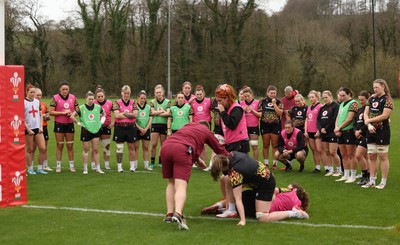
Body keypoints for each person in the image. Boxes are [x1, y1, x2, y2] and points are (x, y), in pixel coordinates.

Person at [161, 121, 229, 230]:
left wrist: (197, 160)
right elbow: (219, 149)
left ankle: (169, 214)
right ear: (207, 127)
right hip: (182, 149)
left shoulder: (187, 125)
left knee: (171, 182)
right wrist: (231, 157)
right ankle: (178, 213)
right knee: (181, 185)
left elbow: (188, 139)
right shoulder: (206, 131)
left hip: (166, 146)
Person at [211, 152, 309, 226]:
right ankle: (229, 209)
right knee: (226, 179)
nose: (288, 187)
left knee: (262, 217)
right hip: (260, 180)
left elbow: (238, 199)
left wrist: (243, 220)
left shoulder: (235, 171)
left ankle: (293, 214)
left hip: (264, 185)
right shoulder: (233, 155)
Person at [202, 183, 310, 219]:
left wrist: (273, 194)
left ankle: (219, 205)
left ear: (294, 189)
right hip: (259, 211)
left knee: (240, 196)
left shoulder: (289, 191)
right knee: (242, 208)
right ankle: (221, 209)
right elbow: (299, 211)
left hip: (261, 201)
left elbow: (272, 189)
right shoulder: (298, 204)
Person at [362, 79, 393, 189]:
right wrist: (369, 125)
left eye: (377, 87)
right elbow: (366, 113)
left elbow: (385, 116)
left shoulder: (388, 99)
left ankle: (383, 181)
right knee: (371, 155)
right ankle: (372, 180)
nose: (375, 89)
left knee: (383, 156)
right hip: (370, 131)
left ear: (383, 86)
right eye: (374, 87)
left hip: (382, 131)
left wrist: (369, 121)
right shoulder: (371, 98)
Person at [70, 91, 105, 174]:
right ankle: (85, 169)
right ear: (86, 99)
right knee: (86, 149)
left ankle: (98, 168)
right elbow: (72, 116)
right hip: (85, 131)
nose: (91, 100)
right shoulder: (81, 108)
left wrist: (102, 121)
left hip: (95, 130)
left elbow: (104, 114)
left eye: (92, 99)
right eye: (89, 99)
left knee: (95, 149)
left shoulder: (98, 107)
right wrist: (78, 123)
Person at [49, 80, 79, 173]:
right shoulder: (55, 98)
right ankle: (58, 166)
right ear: (60, 89)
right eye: (63, 89)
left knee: (70, 145)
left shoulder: (73, 97)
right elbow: (51, 112)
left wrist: (72, 114)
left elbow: (77, 110)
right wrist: (62, 113)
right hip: (59, 124)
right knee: (59, 145)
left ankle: (71, 165)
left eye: (66, 89)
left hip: (69, 124)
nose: (65, 91)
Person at [215, 84, 249, 153]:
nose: (218, 104)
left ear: (227, 98)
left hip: (239, 145)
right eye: (217, 101)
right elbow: (222, 127)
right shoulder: (225, 109)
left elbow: (231, 125)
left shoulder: (237, 108)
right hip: (230, 144)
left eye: (220, 101)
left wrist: (222, 112)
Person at [334, 88, 359, 183]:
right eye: (340, 95)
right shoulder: (341, 104)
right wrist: (336, 127)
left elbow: (349, 118)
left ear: (349, 94)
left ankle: (353, 175)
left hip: (348, 131)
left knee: (351, 154)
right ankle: (346, 174)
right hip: (341, 132)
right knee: (343, 154)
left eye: (343, 95)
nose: (341, 97)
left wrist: (339, 128)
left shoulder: (353, 103)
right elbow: (338, 116)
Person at [113, 85, 138, 173]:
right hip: (120, 127)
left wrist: (123, 113)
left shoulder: (134, 102)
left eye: (128, 93)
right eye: (125, 93)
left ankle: (132, 167)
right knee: (119, 147)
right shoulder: (117, 102)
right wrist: (129, 114)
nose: (126, 95)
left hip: (131, 127)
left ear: (130, 93)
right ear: (121, 93)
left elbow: (135, 115)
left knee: (131, 147)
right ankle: (119, 167)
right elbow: (116, 115)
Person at [24, 84, 48, 175]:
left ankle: (40, 168)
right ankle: (30, 168)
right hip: (28, 129)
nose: (33, 94)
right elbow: (22, 118)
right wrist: (28, 129)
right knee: (30, 149)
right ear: (27, 92)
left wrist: (41, 126)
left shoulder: (37, 102)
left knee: (43, 148)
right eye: (31, 92)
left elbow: (40, 114)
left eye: (34, 92)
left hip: (37, 128)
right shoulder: (23, 102)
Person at [316, 91, 341, 177]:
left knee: (333, 152)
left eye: (326, 97)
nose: (325, 99)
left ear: (330, 96)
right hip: (324, 133)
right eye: (323, 98)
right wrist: (320, 129)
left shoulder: (335, 106)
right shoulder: (323, 108)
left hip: (331, 132)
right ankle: (330, 169)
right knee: (326, 152)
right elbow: (318, 120)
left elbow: (334, 119)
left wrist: (326, 128)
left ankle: (339, 169)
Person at [258, 85, 283, 169]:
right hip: (265, 125)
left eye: (274, 93)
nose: (272, 94)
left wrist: (274, 104)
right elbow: (260, 113)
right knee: (265, 145)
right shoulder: (262, 101)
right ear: (267, 93)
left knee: (275, 145)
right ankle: (266, 163)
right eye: (271, 93)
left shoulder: (279, 102)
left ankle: (275, 163)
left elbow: (280, 113)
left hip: (275, 125)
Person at [150, 84, 171, 168]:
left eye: (160, 92)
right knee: (154, 144)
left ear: (163, 93)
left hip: (164, 125)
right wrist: (162, 111)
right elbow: (152, 112)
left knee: (163, 145)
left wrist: (157, 113)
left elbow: (168, 113)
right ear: (155, 93)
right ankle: (152, 162)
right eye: (157, 92)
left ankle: (160, 162)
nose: (158, 94)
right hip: (155, 124)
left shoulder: (167, 102)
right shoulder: (152, 102)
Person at [31, 88, 52, 171]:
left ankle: (45, 165)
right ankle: (31, 166)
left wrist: (46, 117)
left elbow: (47, 116)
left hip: (44, 127)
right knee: (32, 148)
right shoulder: (31, 104)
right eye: (37, 95)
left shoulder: (43, 104)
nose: (39, 97)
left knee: (44, 148)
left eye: (40, 95)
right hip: (35, 128)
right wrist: (42, 116)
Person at [93, 86, 114, 170]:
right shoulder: (93, 103)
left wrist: (113, 123)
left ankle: (106, 164)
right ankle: (94, 164)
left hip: (106, 127)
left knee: (106, 146)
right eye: (98, 96)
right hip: (95, 128)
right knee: (95, 147)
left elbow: (117, 113)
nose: (100, 98)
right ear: (95, 97)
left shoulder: (109, 103)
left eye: (102, 96)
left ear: (104, 96)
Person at [304, 90, 324, 173]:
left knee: (320, 150)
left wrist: (319, 130)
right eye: (310, 97)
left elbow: (322, 120)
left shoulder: (320, 106)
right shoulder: (309, 107)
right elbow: (307, 119)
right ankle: (317, 167)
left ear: (317, 97)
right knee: (314, 150)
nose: (311, 99)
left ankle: (328, 167)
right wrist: (305, 131)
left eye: (313, 97)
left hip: (317, 132)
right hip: (310, 131)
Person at [353, 91, 370, 185]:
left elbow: (368, 122)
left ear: (368, 98)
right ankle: (367, 174)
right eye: (359, 100)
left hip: (366, 135)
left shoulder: (369, 109)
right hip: (358, 135)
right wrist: (355, 131)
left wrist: (360, 131)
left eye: (363, 100)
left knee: (358, 155)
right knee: (364, 156)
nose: (361, 101)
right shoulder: (359, 110)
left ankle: (365, 176)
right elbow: (355, 123)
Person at [240, 87, 261, 161]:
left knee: (254, 146)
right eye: (245, 96)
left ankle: (255, 163)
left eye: (248, 96)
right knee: (245, 148)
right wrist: (243, 110)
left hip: (254, 127)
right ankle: (246, 163)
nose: (247, 98)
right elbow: (238, 116)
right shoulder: (241, 103)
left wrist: (252, 110)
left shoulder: (257, 102)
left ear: (251, 94)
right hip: (244, 128)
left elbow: (260, 115)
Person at [134, 90, 153, 171]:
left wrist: (145, 129)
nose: (143, 100)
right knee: (136, 147)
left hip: (146, 129)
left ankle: (146, 165)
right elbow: (133, 120)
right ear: (138, 98)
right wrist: (140, 128)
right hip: (137, 129)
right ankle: (135, 165)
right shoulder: (135, 107)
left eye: (144, 98)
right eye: (141, 98)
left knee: (145, 148)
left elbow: (151, 118)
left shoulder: (148, 107)